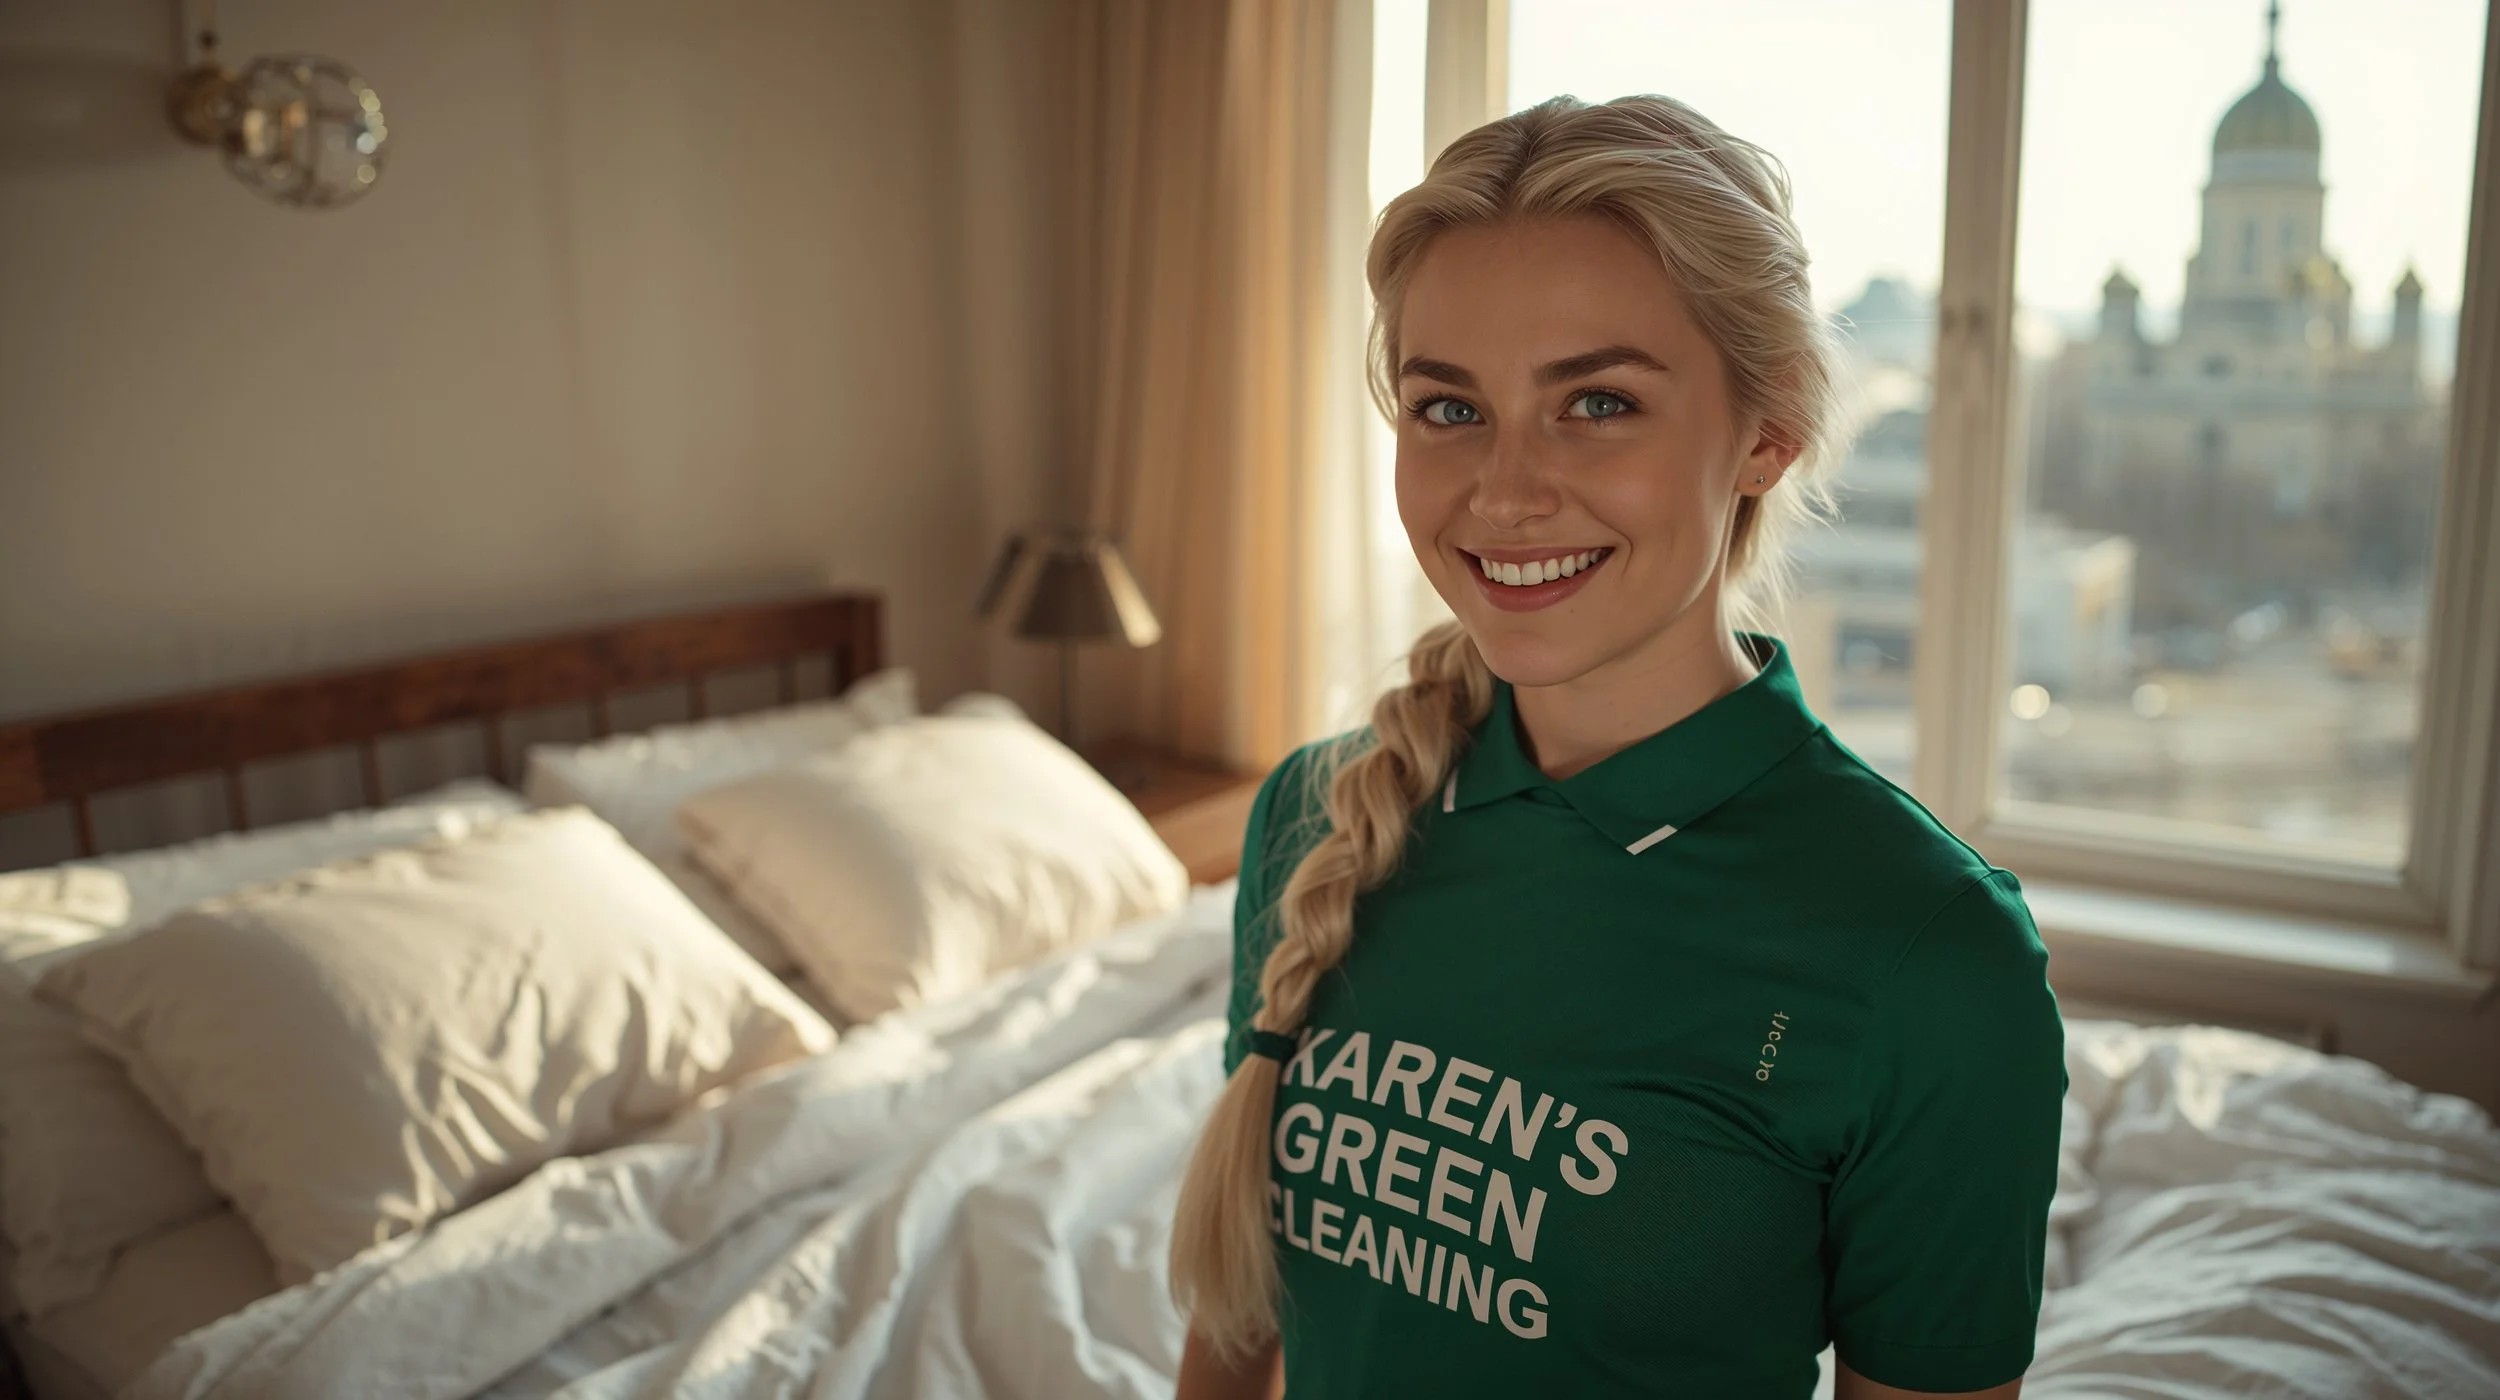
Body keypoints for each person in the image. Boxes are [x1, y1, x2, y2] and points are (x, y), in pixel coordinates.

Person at [1168, 94, 2067, 1400]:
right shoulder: (1319, 814)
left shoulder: (1932, 956)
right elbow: (1240, 1328)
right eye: (1449, 408)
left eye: (1596, 401)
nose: (1504, 493)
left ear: (1766, 433)